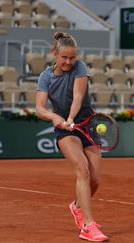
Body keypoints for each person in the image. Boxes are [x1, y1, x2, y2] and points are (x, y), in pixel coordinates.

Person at [36, 32, 108, 242]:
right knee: (82, 170)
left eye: (72, 58)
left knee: (95, 180)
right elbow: (40, 108)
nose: (69, 62)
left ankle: (76, 207)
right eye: (64, 57)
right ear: (55, 54)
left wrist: (70, 117)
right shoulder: (45, 77)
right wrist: (54, 117)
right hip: (65, 130)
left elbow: (78, 95)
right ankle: (88, 226)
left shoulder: (80, 67)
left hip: (87, 124)